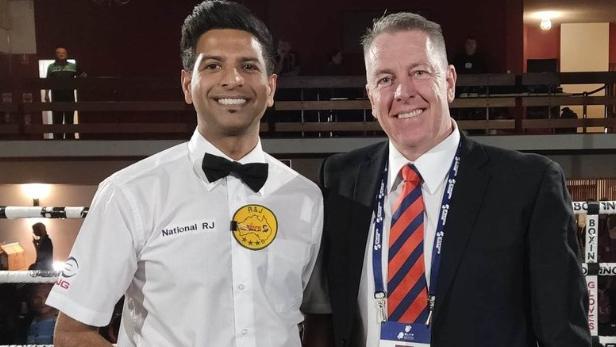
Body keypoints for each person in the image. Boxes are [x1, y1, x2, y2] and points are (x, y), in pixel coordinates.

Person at [46, 1, 324, 346]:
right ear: (186, 84)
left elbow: (317, 320)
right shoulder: (130, 193)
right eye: (213, 65)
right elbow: (72, 333)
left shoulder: (308, 197)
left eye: (248, 66)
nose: (233, 79)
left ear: (271, 88)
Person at [309, 12, 590, 347]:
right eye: (385, 79)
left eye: (419, 72)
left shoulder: (528, 184)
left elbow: (563, 335)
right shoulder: (340, 178)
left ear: (450, 81)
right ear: (371, 96)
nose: (402, 92)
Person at [44, 46, 85, 140]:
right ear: (55, 55)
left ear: (67, 55)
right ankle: (58, 141)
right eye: (59, 52)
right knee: (57, 121)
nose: (61, 54)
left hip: (69, 98)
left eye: (63, 52)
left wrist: (79, 84)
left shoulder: (73, 66)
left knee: (69, 121)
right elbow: (47, 82)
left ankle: (70, 141)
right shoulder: (51, 67)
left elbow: (84, 76)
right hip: (56, 98)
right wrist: (46, 95)